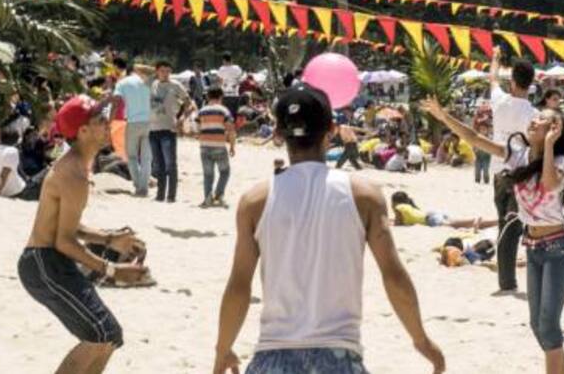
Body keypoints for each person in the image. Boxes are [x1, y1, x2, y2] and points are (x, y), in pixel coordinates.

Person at [212, 83, 445, 374]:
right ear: (331, 130)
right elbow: (393, 274)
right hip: (339, 358)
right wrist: (420, 339)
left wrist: (223, 349)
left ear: (279, 134)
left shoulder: (254, 201)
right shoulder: (365, 195)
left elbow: (239, 285)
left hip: (272, 357)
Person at [422, 98, 564, 374]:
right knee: (538, 325)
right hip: (533, 247)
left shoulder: (561, 161)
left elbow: (548, 184)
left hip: (559, 247)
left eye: (541, 118)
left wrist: (546, 146)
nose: (533, 120)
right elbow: (474, 138)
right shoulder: (518, 155)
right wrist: (443, 116)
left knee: (548, 324)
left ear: (555, 129)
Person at [19, 95, 148, 374]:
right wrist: (112, 270)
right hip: (43, 264)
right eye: (100, 120)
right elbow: (63, 241)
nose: (107, 124)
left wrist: (109, 238)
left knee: (109, 335)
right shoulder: (73, 174)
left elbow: (67, 225)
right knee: (100, 334)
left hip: (48, 262)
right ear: (83, 131)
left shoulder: (77, 166)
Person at [487, 47, 539, 294]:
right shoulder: (534, 114)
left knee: (503, 224)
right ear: (531, 83)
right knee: (514, 226)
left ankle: (505, 280)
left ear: (513, 81)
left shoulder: (499, 101)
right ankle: (507, 282)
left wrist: (495, 58)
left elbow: (493, 78)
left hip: (498, 170)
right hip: (521, 174)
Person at [150, 61, 191, 203]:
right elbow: (138, 68)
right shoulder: (152, 84)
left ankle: (171, 196)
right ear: (157, 71)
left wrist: (182, 118)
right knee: (158, 164)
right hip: (153, 128)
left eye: (168, 71)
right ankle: (160, 195)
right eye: (162, 71)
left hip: (169, 128)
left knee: (170, 163)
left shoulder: (175, 85)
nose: (165, 74)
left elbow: (189, 103)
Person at [113, 62, 154, 197]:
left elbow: (116, 101)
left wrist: (109, 120)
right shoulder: (148, 81)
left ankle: (138, 185)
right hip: (149, 122)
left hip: (132, 122)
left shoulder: (122, 83)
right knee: (147, 158)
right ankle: (144, 188)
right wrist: (141, 67)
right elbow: (156, 70)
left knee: (132, 156)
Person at [194, 87, 237, 208]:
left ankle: (207, 197)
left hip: (204, 146)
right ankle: (219, 194)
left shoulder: (202, 111)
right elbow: (231, 129)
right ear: (221, 97)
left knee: (208, 174)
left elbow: (197, 130)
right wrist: (232, 146)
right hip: (219, 146)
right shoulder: (223, 111)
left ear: (208, 97)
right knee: (225, 172)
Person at [390, 191, 492, 230]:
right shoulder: (408, 207)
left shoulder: (399, 208)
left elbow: (398, 223)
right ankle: (496, 222)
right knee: (460, 223)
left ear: (395, 202)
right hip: (432, 214)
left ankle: (475, 220)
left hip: (430, 219)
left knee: (457, 225)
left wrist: (389, 223)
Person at [216, 52, 245, 119]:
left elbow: (219, 81)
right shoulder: (237, 68)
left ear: (224, 60)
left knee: (225, 114)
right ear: (231, 59)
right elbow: (240, 80)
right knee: (234, 114)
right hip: (235, 94)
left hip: (225, 95)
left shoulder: (221, 69)